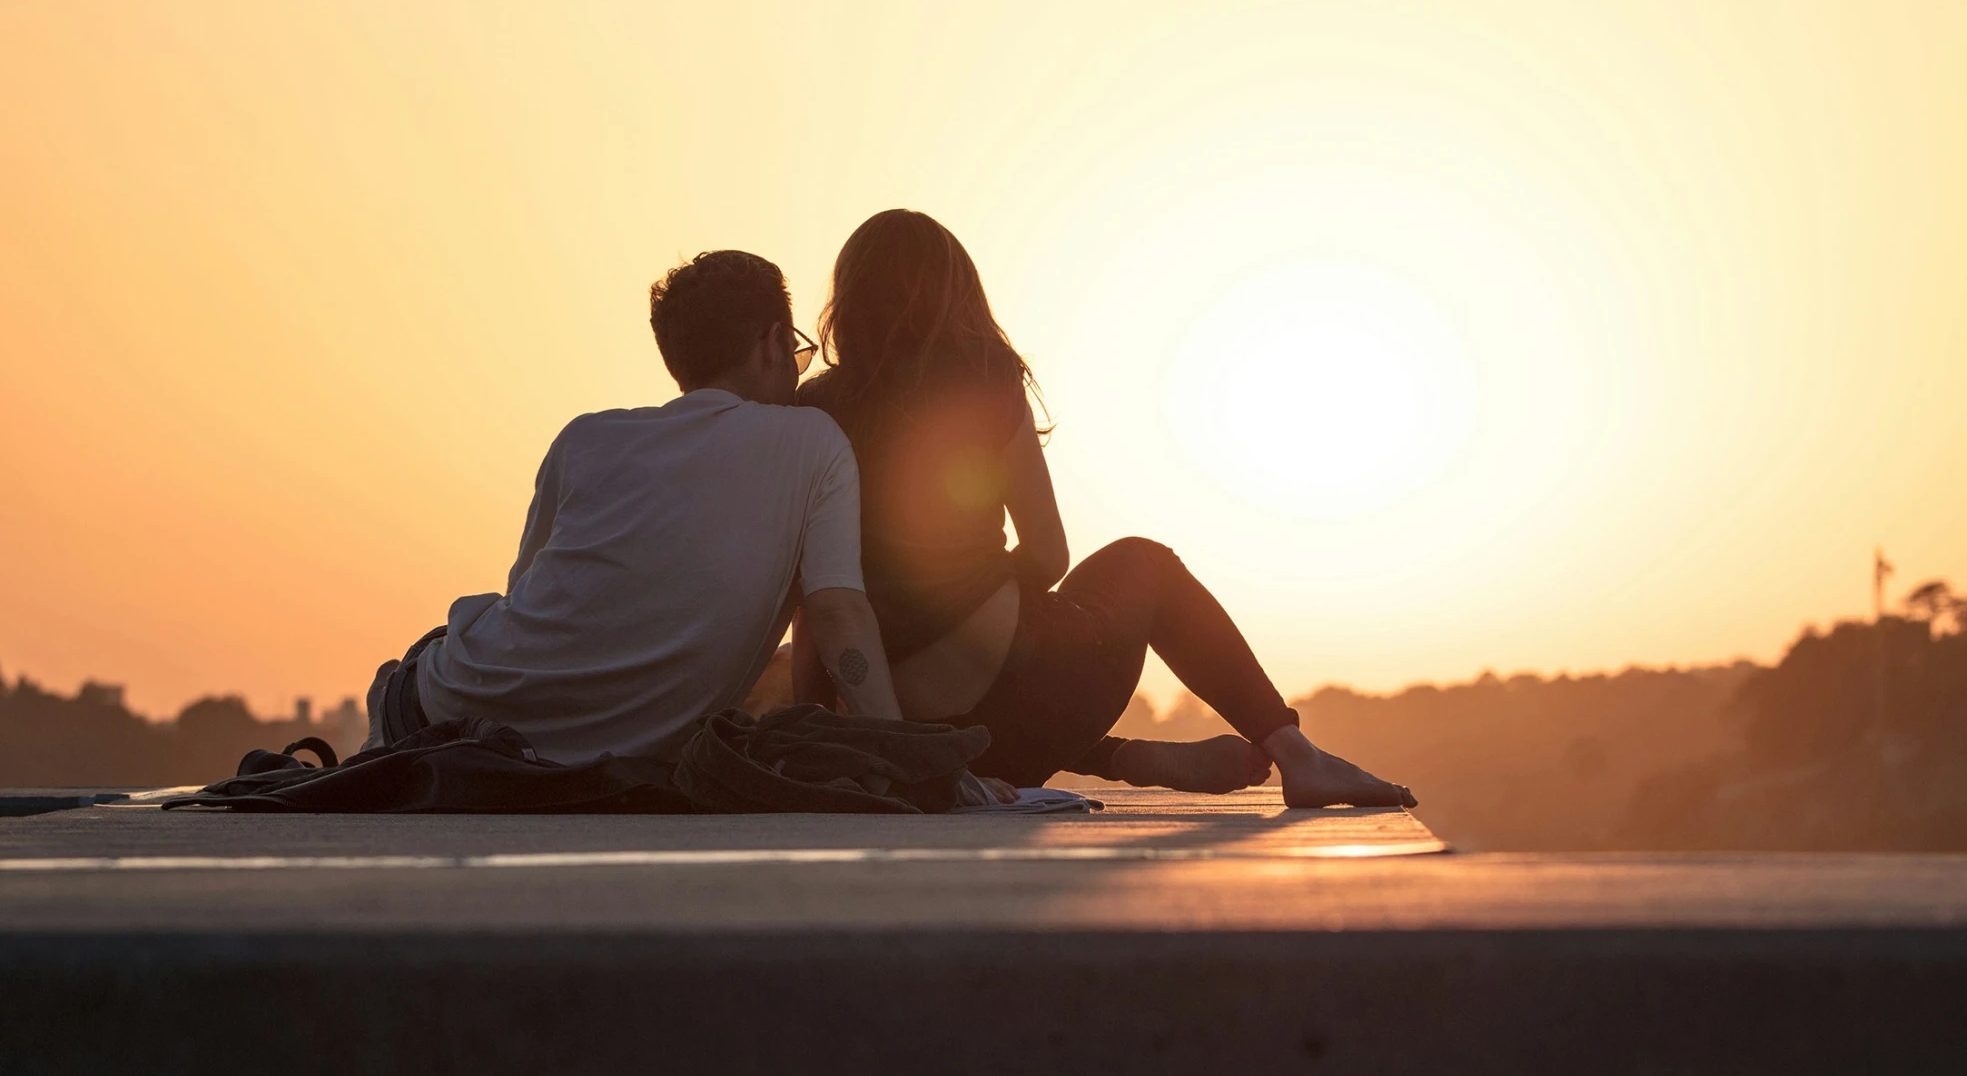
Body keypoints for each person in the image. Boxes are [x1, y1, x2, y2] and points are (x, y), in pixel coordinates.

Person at [793, 209, 1416, 808]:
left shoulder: (812, 410)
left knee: (980, 696)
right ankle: (1296, 756)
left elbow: (813, 602)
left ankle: (1116, 757)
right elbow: (1048, 554)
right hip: (1024, 698)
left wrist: (833, 731)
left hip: (917, 735)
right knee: (1146, 564)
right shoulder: (984, 377)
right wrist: (983, 592)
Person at [361, 250, 907, 764]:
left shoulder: (585, 439)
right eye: (796, 353)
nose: (796, 371)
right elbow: (837, 614)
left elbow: (530, 599)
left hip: (449, 711)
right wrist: (912, 762)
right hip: (589, 752)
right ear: (773, 342)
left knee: (444, 647)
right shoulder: (814, 441)